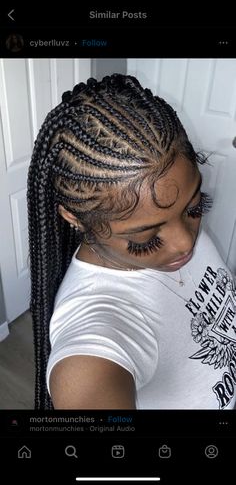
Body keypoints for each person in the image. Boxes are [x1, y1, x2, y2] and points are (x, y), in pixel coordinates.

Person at [27, 74, 236, 410]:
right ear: (74, 218)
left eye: (196, 208)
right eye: (145, 240)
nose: (185, 243)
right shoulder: (95, 340)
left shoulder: (168, 218)